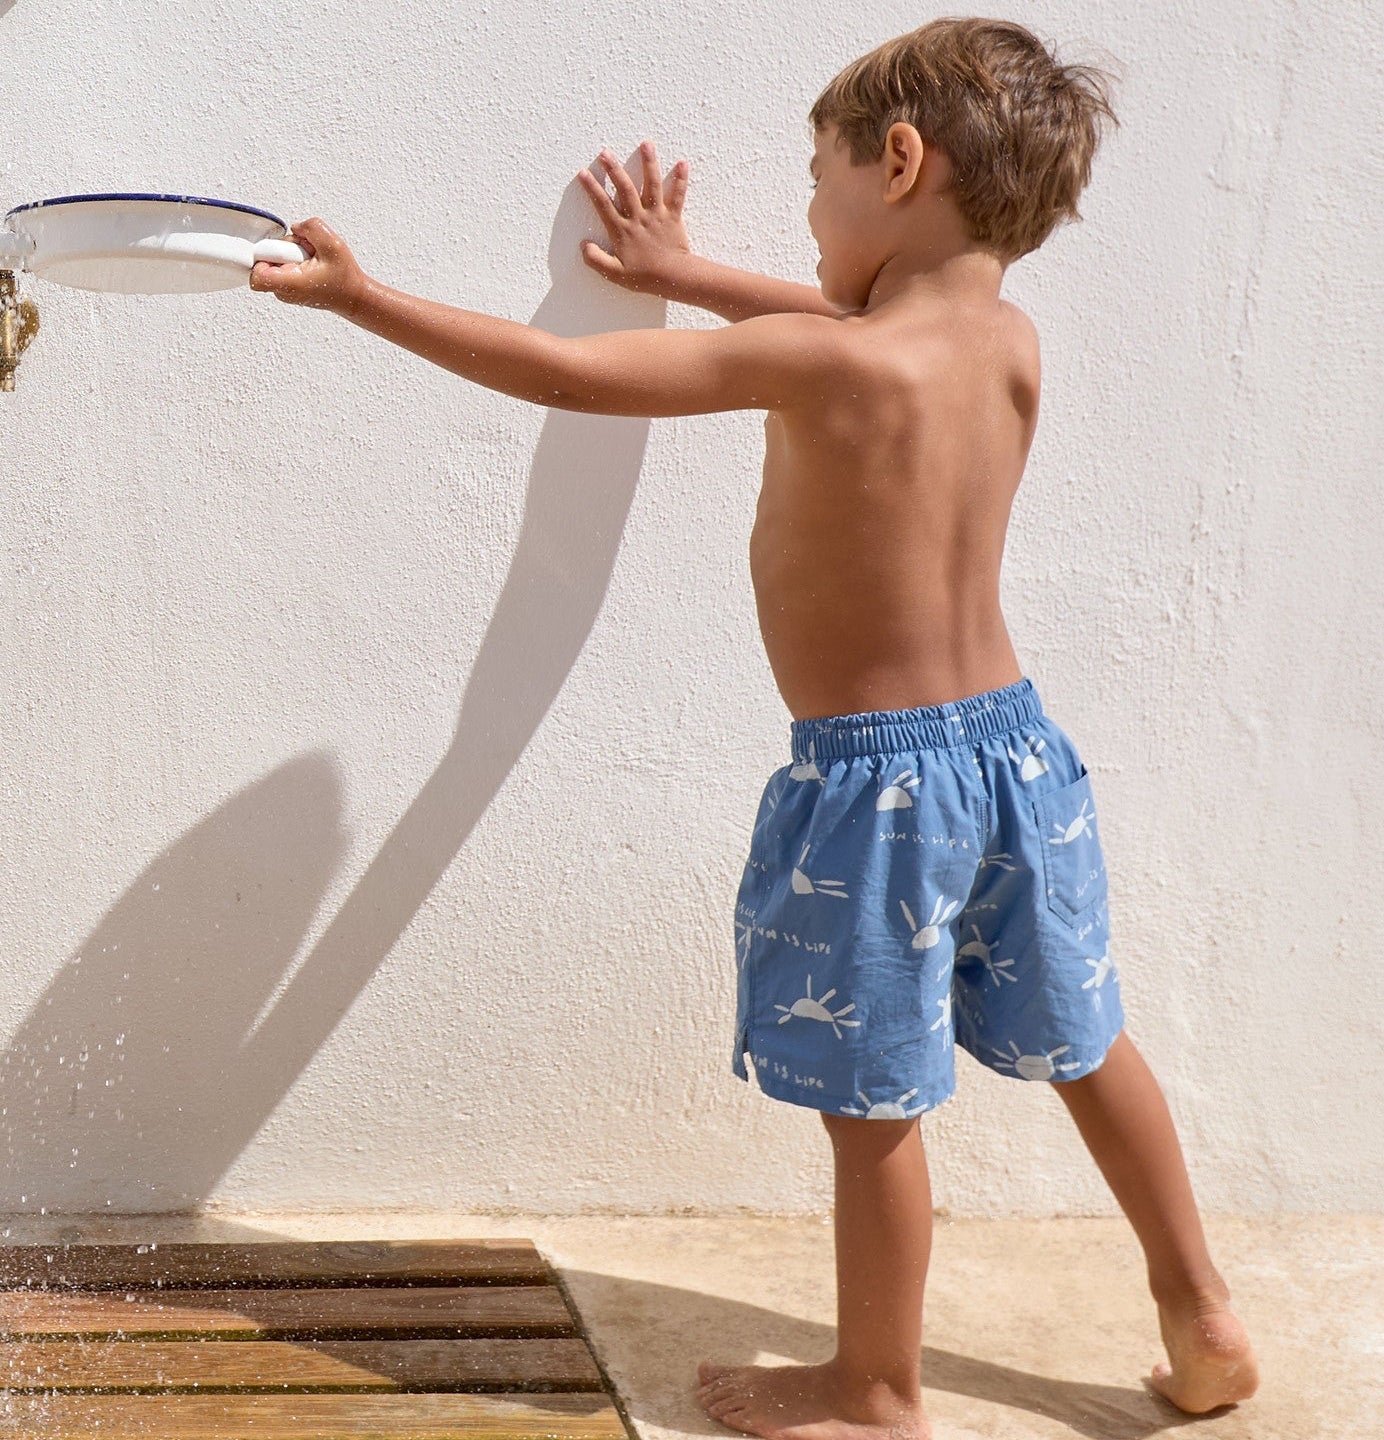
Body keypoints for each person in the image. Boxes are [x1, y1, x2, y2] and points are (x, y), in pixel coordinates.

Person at [250, 15, 1260, 1436]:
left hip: (881, 794)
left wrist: (366, 299)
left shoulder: (828, 367)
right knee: (1089, 1039)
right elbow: (851, 323)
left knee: (876, 1101)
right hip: (1019, 753)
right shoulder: (1006, 343)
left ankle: (876, 1386)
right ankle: (1202, 1310)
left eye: (818, 176)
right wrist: (687, 273)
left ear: (898, 162)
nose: (809, 206)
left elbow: (575, 379)